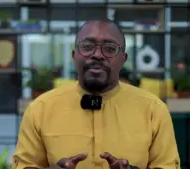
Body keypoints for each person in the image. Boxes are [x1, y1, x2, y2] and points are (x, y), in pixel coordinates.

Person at [12, 19, 181, 169]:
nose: (98, 55)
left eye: (109, 48)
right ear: (74, 56)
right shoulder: (40, 109)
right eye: (87, 46)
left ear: (123, 59)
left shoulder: (153, 110)